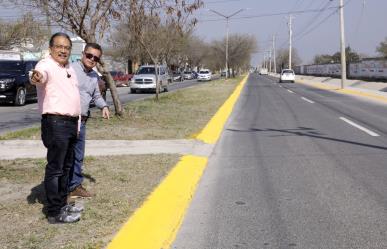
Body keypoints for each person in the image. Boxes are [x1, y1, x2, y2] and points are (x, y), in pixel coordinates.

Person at [30, 32, 83, 224]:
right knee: (56, 169)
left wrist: (77, 125)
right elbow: (39, 76)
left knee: (67, 167)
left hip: (70, 124)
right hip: (55, 123)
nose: (63, 50)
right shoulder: (46, 65)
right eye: (59, 47)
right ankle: (53, 212)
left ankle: (62, 204)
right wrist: (35, 77)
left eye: (67, 47)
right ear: (51, 48)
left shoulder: (68, 67)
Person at [68, 43, 110, 200]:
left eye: (96, 58)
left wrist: (104, 106)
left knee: (78, 156)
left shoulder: (94, 76)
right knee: (65, 156)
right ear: (83, 54)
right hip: (67, 120)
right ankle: (61, 189)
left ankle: (75, 186)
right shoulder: (70, 69)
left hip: (82, 121)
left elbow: (96, 96)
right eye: (89, 55)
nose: (92, 59)